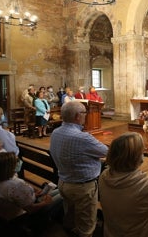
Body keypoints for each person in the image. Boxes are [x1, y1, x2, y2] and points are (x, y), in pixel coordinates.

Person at [50, 101, 108, 237]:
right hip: (82, 188)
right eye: (84, 113)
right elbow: (106, 152)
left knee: (70, 218)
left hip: (63, 182)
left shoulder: (56, 132)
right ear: (77, 116)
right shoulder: (83, 138)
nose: (86, 116)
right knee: (86, 227)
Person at [99, 132, 148, 237]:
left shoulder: (104, 176)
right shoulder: (146, 184)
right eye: (142, 151)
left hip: (114, 231)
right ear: (135, 157)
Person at [0, 151, 63, 232]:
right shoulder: (17, 184)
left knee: (61, 190)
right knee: (64, 194)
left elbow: (18, 197)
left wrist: (33, 194)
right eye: (17, 161)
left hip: (18, 207)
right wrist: (46, 202)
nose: (19, 162)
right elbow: (30, 209)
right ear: (10, 167)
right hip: (32, 213)